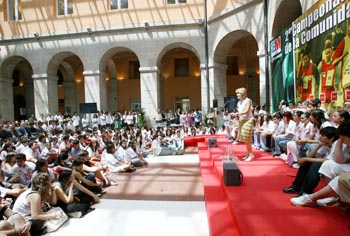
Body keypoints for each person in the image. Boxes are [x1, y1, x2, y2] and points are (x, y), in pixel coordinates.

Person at [282, 126, 338, 195]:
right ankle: (296, 187)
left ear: (331, 138)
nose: (320, 137)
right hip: (329, 164)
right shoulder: (325, 144)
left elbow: (327, 160)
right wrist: (318, 146)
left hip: (336, 165)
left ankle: (306, 192)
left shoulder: (336, 144)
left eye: (323, 136)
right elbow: (310, 156)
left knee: (316, 165)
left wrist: (306, 158)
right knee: (307, 162)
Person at [231, 87, 255, 161]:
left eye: (238, 93)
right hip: (242, 121)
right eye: (237, 93)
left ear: (243, 94)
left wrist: (237, 113)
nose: (237, 95)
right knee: (244, 138)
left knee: (247, 138)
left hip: (248, 120)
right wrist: (236, 114)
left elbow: (246, 111)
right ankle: (248, 153)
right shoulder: (239, 103)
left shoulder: (248, 101)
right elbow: (241, 113)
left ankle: (251, 155)